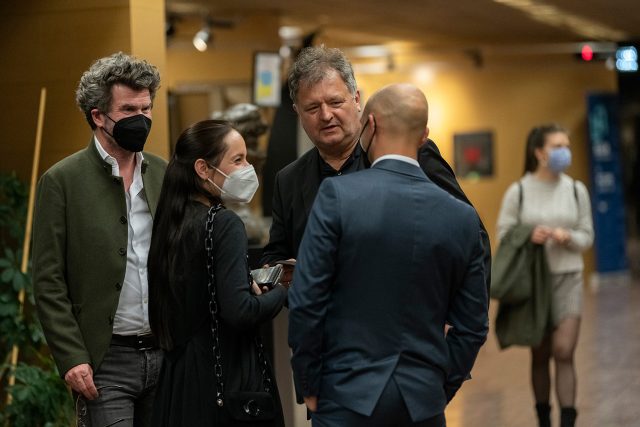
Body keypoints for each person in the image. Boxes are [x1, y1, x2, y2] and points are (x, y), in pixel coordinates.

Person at [288, 83, 489, 427]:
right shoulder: (462, 217)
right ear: (424, 135)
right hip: (423, 402)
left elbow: (307, 299)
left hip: (344, 395)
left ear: (370, 125)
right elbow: (473, 325)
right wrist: (440, 387)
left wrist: (307, 382)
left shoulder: (337, 196)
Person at [260, 45, 490, 296]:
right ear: (297, 112)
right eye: (313, 108)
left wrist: (462, 315)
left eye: (335, 102)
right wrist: (284, 275)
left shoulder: (410, 153)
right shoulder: (289, 180)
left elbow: (471, 236)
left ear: (356, 99)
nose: (325, 115)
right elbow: (276, 256)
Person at [32, 52, 167, 426]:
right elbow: (48, 280)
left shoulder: (163, 173)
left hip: (165, 355)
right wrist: (72, 357)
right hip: (105, 363)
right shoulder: (61, 181)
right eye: (129, 110)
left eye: (146, 108)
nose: (141, 118)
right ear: (98, 116)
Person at [148, 120, 288, 426]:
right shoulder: (224, 224)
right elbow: (240, 310)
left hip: (178, 384)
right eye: (238, 160)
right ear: (203, 168)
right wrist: (282, 290)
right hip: (223, 384)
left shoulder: (170, 222)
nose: (248, 168)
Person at [495, 124, 594, 427]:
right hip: (534, 283)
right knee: (540, 354)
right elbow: (503, 234)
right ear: (539, 153)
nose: (566, 152)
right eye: (558, 146)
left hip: (569, 278)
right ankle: (544, 419)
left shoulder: (576, 190)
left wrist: (569, 237)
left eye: (567, 146)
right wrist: (529, 234)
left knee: (564, 351)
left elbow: (587, 235)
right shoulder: (519, 191)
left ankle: (568, 421)